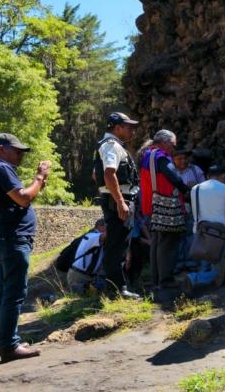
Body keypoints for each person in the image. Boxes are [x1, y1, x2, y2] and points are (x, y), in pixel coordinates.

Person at [0, 133, 51, 361]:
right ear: (1, 149)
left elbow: (18, 200)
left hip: (6, 237)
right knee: (14, 293)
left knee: (4, 292)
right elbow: (22, 198)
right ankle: (9, 346)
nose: (20, 154)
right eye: (16, 150)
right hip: (12, 238)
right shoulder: (0, 168)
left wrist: (36, 184)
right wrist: (39, 178)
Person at [94, 111, 141, 299]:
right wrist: (120, 201)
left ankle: (117, 288)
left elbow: (95, 175)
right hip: (119, 200)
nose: (132, 131)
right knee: (117, 246)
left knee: (117, 244)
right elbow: (108, 174)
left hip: (114, 199)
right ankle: (117, 290)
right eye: (129, 127)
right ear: (117, 128)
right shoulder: (111, 146)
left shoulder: (107, 146)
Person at [139, 129, 191, 298]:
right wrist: (185, 189)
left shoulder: (147, 155)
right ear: (165, 142)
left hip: (151, 204)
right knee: (168, 242)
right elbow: (172, 175)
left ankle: (157, 279)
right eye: (173, 145)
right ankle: (166, 280)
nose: (173, 149)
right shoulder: (160, 156)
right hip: (165, 204)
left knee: (157, 242)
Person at [66, 218, 107, 294]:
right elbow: (106, 235)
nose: (108, 229)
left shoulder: (96, 238)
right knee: (76, 300)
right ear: (100, 226)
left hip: (86, 275)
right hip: (79, 275)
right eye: (106, 227)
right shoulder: (92, 236)